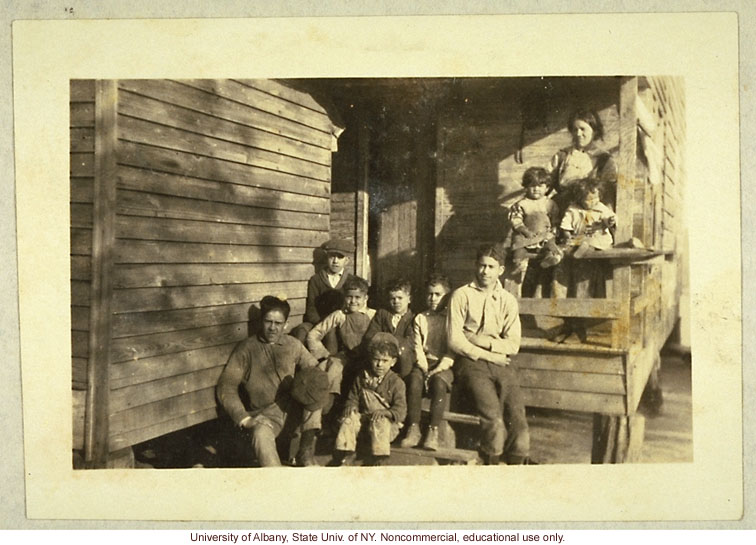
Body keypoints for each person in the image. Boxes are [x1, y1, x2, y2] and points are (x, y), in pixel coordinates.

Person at [447, 243, 534, 465]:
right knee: (493, 420)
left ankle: (516, 466)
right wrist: (489, 354)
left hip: (502, 363)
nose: (485, 271)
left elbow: (513, 345)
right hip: (470, 362)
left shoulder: (507, 301)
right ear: (476, 266)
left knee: (519, 423)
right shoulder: (461, 295)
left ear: (500, 270)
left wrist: (481, 340)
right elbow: (455, 341)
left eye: (491, 267)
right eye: (482, 265)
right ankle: (491, 464)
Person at [216, 296, 329, 467]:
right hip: (266, 414)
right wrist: (245, 419)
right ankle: (275, 479)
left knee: (315, 393)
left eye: (278, 323)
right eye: (268, 322)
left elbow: (313, 370)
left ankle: (305, 453)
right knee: (261, 434)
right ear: (261, 321)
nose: (273, 328)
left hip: (293, 407)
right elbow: (226, 387)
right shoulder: (247, 349)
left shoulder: (293, 344)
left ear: (286, 324)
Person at [550, 179, 617, 343]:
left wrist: (609, 222)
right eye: (589, 199)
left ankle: (579, 328)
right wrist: (567, 237)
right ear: (580, 198)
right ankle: (567, 324)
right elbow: (565, 227)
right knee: (562, 282)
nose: (593, 202)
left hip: (597, 241)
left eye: (596, 198)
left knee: (582, 286)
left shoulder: (602, 208)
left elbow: (611, 219)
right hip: (576, 243)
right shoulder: (573, 209)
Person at [331, 333, 408, 466]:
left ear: (393, 362)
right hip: (365, 421)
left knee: (380, 422)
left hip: (386, 427)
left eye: (385, 361)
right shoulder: (362, 377)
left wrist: (386, 413)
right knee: (349, 419)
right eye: (376, 359)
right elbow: (353, 397)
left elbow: (401, 411)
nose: (379, 364)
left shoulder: (396, 382)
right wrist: (352, 406)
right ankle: (346, 453)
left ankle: (379, 458)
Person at [306, 276, 376, 414]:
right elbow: (313, 335)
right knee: (334, 368)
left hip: (367, 358)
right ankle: (326, 408)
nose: (353, 301)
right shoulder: (339, 315)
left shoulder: (373, 315)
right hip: (347, 356)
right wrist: (324, 354)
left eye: (358, 297)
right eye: (349, 297)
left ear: (365, 298)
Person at [401, 274, 455, 450]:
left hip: (444, 364)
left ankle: (433, 431)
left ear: (446, 296)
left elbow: (452, 350)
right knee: (415, 381)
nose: (432, 299)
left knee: (439, 384)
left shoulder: (452, 319)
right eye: (429, 294)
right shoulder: (420, 318)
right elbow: (417, 346)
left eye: (437, 294)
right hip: (425, 362)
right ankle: (414, 428)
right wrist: (424, 368)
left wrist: (438, 369)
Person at [546, 109, 618, 213]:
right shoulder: (563, 155)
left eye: (582, 129)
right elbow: (546, 182)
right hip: (563, 207)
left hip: (589, 211)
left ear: (595, 131)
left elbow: (609, 193)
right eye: (575, 129)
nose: (578, 133)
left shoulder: (604, 159)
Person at [291, 238, 356, 351]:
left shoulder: (352, 281)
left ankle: (329, 362)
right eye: (332, 256)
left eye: (339, 257)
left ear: (347, 260)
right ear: (327, 258)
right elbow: (311, 309)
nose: (335, 261)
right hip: (318, 322)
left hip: (341, 324)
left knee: (333, 336)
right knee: (301, 331)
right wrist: (323, 324)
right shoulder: (316, 280)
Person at [508, 166, 563, 283]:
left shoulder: (550, 203)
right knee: (518, 244)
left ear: (547, 187)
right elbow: (516, 220)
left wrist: (551, 233)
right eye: (532, 186)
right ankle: (518, 263)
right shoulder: (521, 204)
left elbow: (555, 221)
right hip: (526, 234)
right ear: (526, 187)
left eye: (540, 186)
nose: (536, 189)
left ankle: (550, 258)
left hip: (544, 234)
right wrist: (524, 231)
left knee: (551, 244)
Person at [363, 278, 416, 379]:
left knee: (405, 352)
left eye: (400, 298)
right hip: (382, 355)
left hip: (402, 360)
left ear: (409, 299)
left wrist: (390, 341)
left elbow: (410, 341)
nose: (396, 301)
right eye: (393, 298)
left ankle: (402, 380)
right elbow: (371, 334)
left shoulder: (412, 318)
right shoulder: (382, 314)